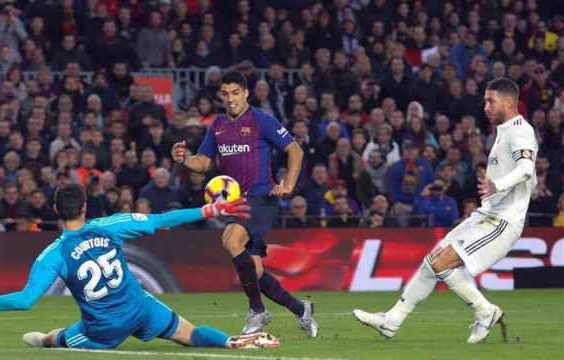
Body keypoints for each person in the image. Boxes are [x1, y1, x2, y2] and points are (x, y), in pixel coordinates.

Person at [0, 184, 279, 350]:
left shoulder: (52, 254)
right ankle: (232, 342)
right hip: (139, 305)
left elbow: (26, 300)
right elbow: (162, 219)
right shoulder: (109, 226)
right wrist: (208, 212)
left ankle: (43, 341)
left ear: (56, 209)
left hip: (103, 327)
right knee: (188, 334)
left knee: (58, 339)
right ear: (85, 207)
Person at [353, 77, 537, 344]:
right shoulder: (504, 130)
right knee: (432, 261)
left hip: (504, 220)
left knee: (442, 263)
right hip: (487, 214)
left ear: (509, 102)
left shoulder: (521, 131)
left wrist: (498, 184)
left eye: (491, 100)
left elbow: (526, 169)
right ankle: (391, 321)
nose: (485, 106)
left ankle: (485, 311)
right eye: (485, 99)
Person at [171, 70, 317, 337]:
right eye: (225, 93)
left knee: (230, 240)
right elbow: (203, 163)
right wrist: (184, 159)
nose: (230, 98)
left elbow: (294, 150)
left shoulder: (262, 121)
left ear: (246, 93)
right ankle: (301, 310)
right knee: (255, 270)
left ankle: (258, 312)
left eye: (235, 92)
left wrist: (288, 185)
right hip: (236, 204)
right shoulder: (217, 125)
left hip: (261, 197)